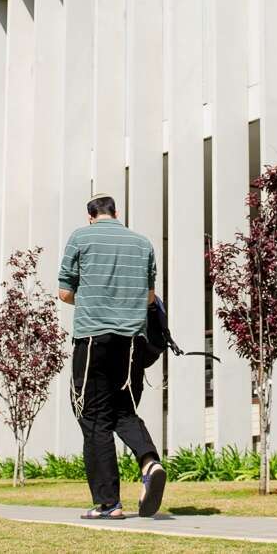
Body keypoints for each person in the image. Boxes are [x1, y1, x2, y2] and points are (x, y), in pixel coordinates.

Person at [58, 192, 166, 519]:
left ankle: (109, 504)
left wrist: (95, 300)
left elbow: (64, 292)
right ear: (116, 213)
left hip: (93, 340)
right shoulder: (143, 243)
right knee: (123, 409)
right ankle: (150, 461)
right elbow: (149, 297)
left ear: (90, 215)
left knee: (93, 419)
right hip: (132, 342)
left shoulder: (80, 236)